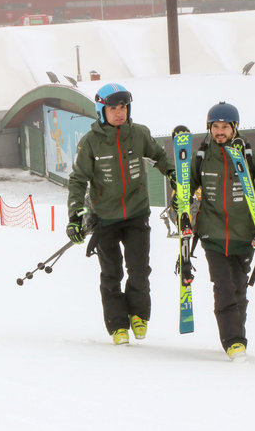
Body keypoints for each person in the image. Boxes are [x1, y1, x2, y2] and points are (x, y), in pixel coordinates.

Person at [66, 83, 176, 345]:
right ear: (102, 110)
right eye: (113, 108)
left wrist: (174, 174)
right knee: (111, 273)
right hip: (105, 218)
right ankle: (117, 324)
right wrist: (75, 217)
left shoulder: (138, 134)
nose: (119, 113)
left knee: (139, 269)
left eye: (123, 107)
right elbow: (78, 180)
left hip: (137, 213)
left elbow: (160, 157)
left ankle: (138, 314)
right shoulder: (90, 142)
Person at [188, 102, 255, 361]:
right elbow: (187, 186)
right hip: (212, 234)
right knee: (224, 287)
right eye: (215, 127)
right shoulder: (202, 157)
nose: (219, 132)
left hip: (243, 234)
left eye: (224, 127)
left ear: (234, 128)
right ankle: (234, 341)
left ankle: (237, 334)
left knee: (239, 289)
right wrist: (181, 203)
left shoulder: (251, 156)